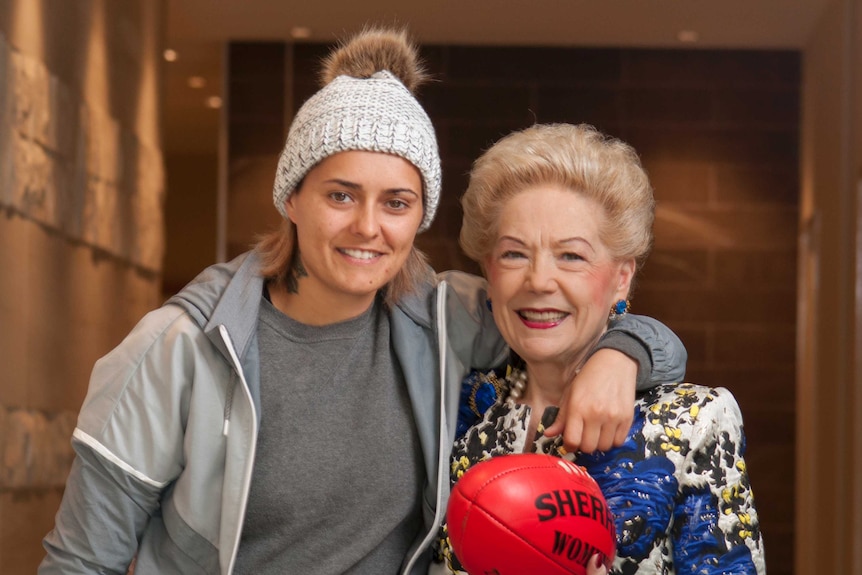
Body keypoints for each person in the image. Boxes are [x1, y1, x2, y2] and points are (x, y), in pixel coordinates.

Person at [39, 30, 686, 575]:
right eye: (341, 195)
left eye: (396, 203)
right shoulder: (179, 347)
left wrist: (620, 354)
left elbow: (568, 314)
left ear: (419, 216)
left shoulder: (445, 318)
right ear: (292, 199)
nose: (368, 227)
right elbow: (79, 561)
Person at [433, 123, 765, 574]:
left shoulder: (692, 423)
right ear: (488, 271)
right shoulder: (454, 410)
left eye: (571, 256)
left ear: (621, 277)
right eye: (514, 254)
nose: (538, 280)